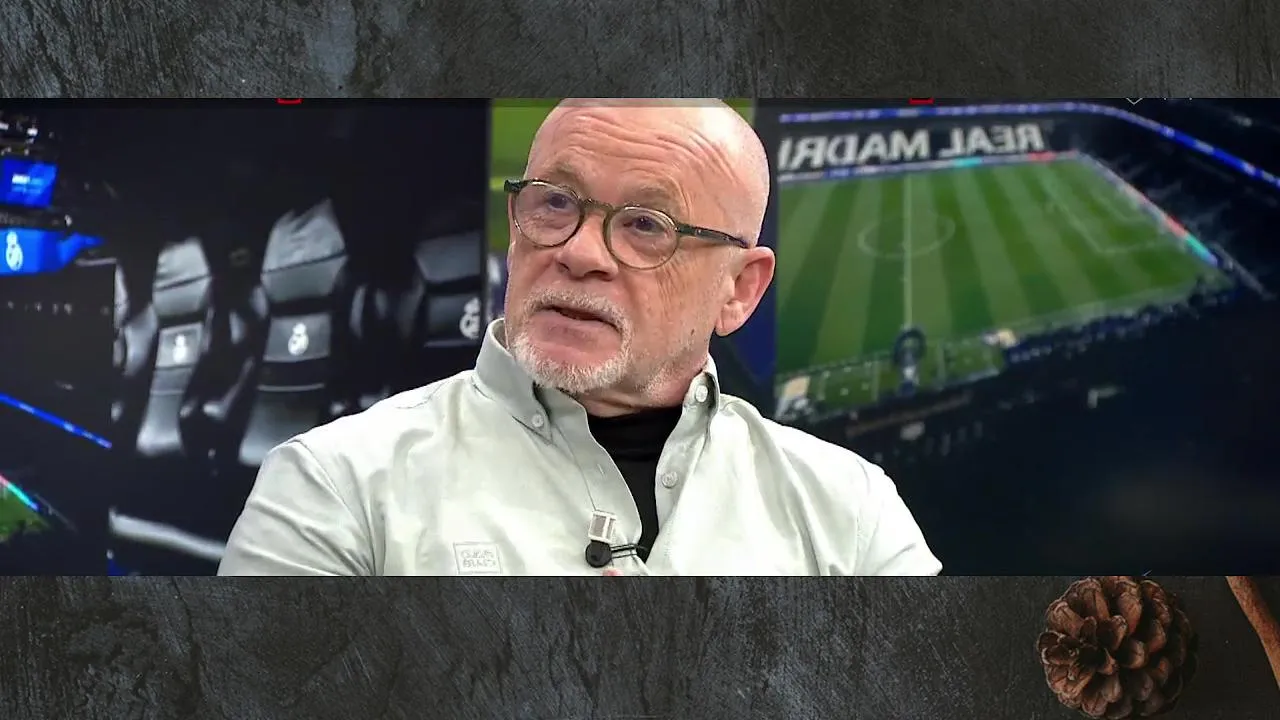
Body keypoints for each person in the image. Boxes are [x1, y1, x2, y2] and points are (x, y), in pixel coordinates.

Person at [218, 99, 941, 576]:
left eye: (647, 225)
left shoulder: (850, 512)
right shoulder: (333, 489)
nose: (580, 252)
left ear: (739, 290)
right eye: (556, 203)